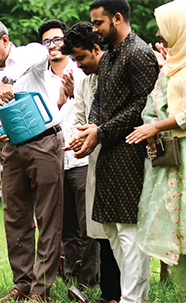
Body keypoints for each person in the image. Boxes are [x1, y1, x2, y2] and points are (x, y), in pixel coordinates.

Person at [124, 2, 186, 302]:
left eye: (164, 25)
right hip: (170, 158)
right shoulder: (174, 61)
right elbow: (152, 103)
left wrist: (158, 127)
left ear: (183, 24)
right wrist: (152, 127)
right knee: (176, 241)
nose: (159, 33)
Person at [67, 1, 159, 302]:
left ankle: (134, 300)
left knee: (129, 232)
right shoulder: (108, 60)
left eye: (98, 23)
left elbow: (143, 107)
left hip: (131, 154)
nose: (94, 29)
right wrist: (88, 130)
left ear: (117, 18)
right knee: (112, 230)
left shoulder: (140, 53)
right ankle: (126, 296)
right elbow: (100, 104)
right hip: (107, 153)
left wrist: (100, 132)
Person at [0, 17, 62, 302]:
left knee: (47, 215)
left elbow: (40, 51)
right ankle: (22, 283)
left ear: (5, 40)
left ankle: (41, 289)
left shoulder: (27, 55)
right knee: (14, 215)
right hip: (11, 147)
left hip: (45, 142)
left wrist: (8, 81)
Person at [62, 21, 122, 303]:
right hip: (93, 162)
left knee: (122, 233)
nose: (78, 64)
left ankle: (125, 294)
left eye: (81, 58)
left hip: (120, 160)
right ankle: (109, 292)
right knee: (100, 231)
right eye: (74, 60)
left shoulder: (117, 73)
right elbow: (79, 118)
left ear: (96, 49)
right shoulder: (85, 81)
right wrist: (78, 138)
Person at [38, 19, 97, 290]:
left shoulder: (82, 68)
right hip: (54, 159)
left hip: (82, 158)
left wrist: (74, 95)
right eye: (47, 41)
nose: (53, 46)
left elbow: (94, 109)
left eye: (57, 40)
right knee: (65, 226)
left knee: (87, 225)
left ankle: (88, 280)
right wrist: (60, 101)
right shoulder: (37, 76)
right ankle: (71, 278)